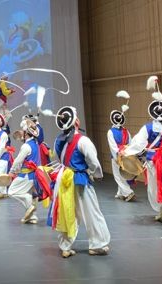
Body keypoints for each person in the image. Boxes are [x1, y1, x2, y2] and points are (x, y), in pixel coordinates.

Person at [50, 106, 111, 258]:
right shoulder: (83, 140)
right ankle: (97, 245)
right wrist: (96, 174)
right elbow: (93, 162)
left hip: (64, 179)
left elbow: (56, 158)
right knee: (91, 212)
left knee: (67, 212)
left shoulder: (58, 140)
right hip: (80, 180)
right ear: (76, 121)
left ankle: (65, 246)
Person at [122, 76, 162, 222]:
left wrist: (127, 151)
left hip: (153, 160)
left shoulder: (148, 128)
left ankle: (161, 209)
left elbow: (139, 143)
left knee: (155, 185)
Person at [8, 118, 51, 224]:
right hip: (35, 176)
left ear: (26, 133)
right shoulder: (35, 143)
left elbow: (18, 161)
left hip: (26, 175)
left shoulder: (26, 146)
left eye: (23, 131)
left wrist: (12, 171)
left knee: (12, 192)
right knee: (33, 195)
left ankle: (29, 206)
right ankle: (33, 217)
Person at [106, 91, 135, 202]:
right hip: (126, 154)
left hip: (117, 155)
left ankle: (128, 192)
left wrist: (117, 156)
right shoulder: (126, 131)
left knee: (118, 176)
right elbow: (130, 143)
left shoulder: (110, 132)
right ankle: (120, 193)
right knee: (121, 174)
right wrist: (127, 153)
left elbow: (113, 147)